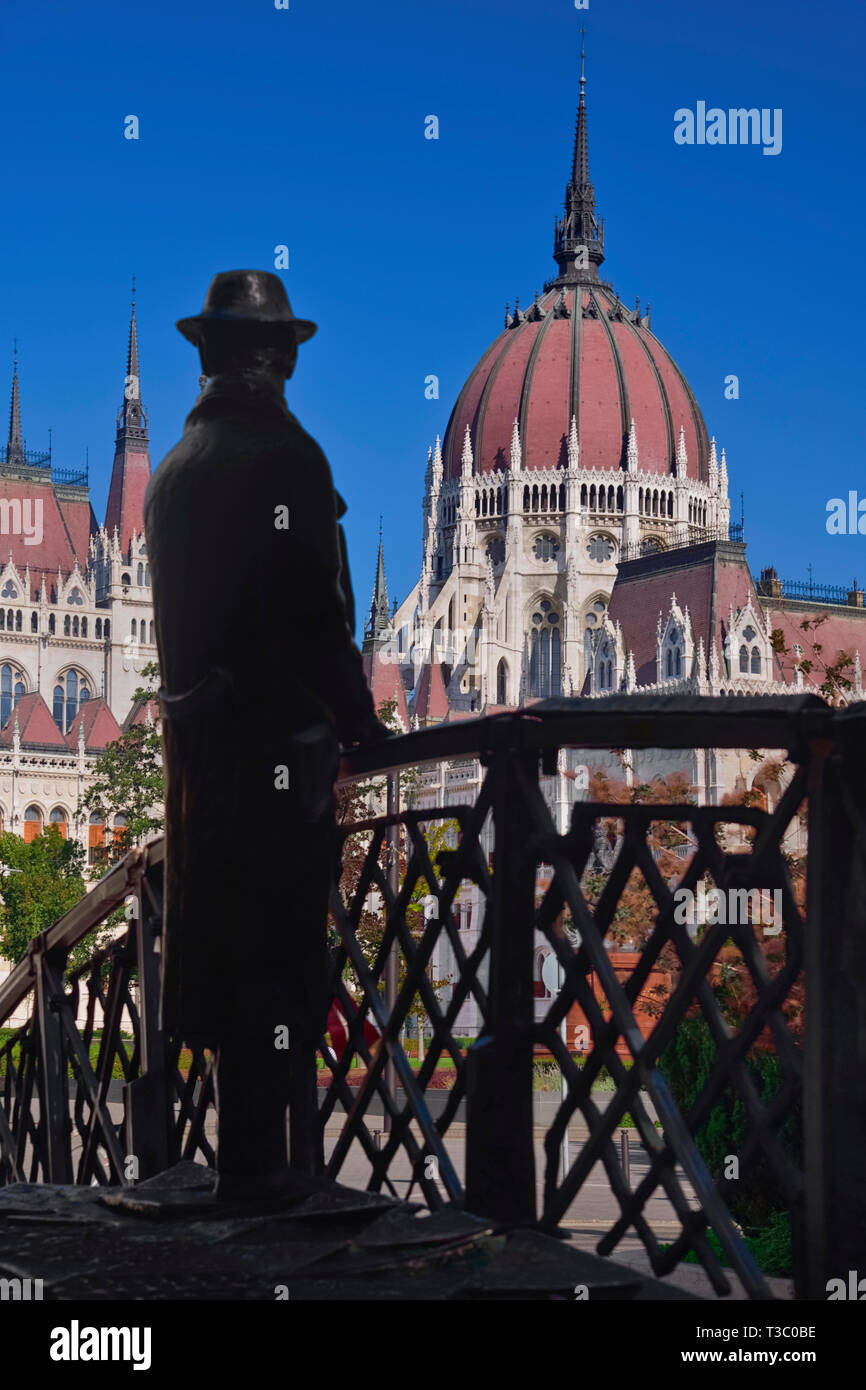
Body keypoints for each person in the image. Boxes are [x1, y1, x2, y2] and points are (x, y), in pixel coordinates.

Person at [144, 270, 387, 1197]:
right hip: (277, 767)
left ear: (206, 357)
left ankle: (248, 1167)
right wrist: (360, 723)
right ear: (279, 357)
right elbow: (317, 622)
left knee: (229, 969)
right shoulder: (288, 461)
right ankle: (266, 1178)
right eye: (282, 349)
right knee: (276, 970)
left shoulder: (172, 476)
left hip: (199, 776)